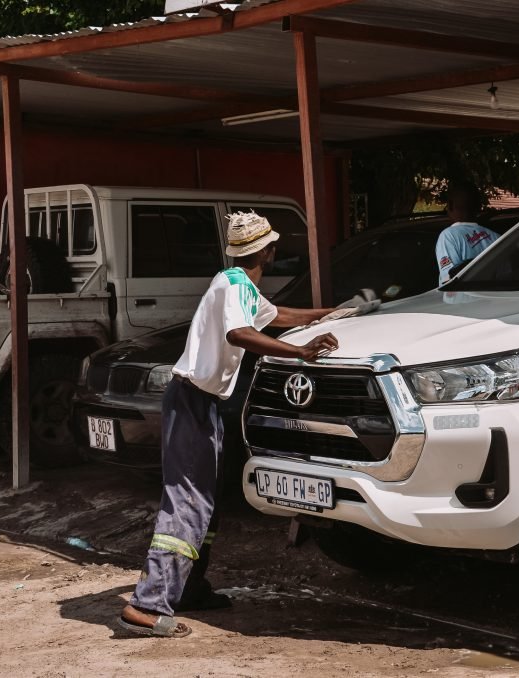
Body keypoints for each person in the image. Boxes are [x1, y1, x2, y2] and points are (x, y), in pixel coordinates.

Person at [119, 211, 348, 639]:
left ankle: (188, 587)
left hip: (203, 404)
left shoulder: (238, 284)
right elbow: (239, 334)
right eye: (274, 246)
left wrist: (329, 314)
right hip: (191, 401)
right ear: (267, 251)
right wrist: (300, 353)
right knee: (187, 501)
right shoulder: (233, 286)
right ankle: (147, 605)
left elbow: (276, 314)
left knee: (207, 500)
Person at [435, 183, 500, 285]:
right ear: (479, 207)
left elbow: (450, 281)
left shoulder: (448, 236)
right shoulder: (496, 237)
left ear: (450, 205)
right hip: (493, 299)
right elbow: (505, 275)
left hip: (463, 300)